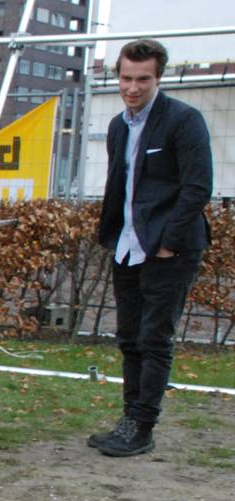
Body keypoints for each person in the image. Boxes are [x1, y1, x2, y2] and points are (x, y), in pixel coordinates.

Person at [88, 38, 212, 457]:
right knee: (128, 338)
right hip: (126, 246)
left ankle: (142, 426)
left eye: (143, 79)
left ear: (159, 78)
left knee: (154, 338)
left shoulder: (184, 120)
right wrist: (111, 235)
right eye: (125, 78)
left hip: (168, 250)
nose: (132, 87)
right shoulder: (118, 125)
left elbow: (197, 188)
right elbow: (119, 187)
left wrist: (167, 244)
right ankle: (129, 420)